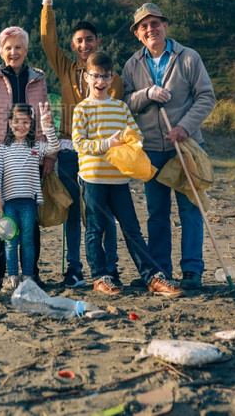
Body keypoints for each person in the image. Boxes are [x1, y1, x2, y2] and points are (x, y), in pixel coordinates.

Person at [72, 51, 184, 297]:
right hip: (93, 179)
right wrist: (106, 144)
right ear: (86, 77)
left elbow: (136, 135)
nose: (100, 81)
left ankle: (152, 277)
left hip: (119, 179)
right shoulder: (82, 109)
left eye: (105, 76)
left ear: (112, 78)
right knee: (95, 229)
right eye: (95, 76)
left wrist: (133, 142)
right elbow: (79, 143)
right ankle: (101, 277)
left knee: (132, 228)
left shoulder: (121, 107)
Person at [122, 3, 216, 290]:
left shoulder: (188, 58)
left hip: (187, 146)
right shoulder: (132, 65)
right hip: (150, 149)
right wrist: (146, 94)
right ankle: (160, 270)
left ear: (165, 26)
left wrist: (183, 128)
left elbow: (206, 97)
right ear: (137, 34)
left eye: (155, 23)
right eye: (144, 26)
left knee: (190, 209)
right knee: (157, 213)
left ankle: (192, 272)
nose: (150, 29)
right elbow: (126, 103)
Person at [40, 0, 122, 289]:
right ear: (73, 46)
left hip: (100, 152)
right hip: (69, 151)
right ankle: (74, 269)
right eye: (79, 41)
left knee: (101, 212)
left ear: (97, 42)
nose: (84, 44)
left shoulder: (110, 76)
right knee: (71, 210)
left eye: (89, 39)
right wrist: (47, 1)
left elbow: (118, 110)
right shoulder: (66, 66)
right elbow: (48, 40)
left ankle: (106, 269)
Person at [0, 26, 55, 288]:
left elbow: (44, 121)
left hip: (32, 158)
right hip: (1, 156)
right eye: (8, 48)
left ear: (26, 50)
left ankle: (31, 272)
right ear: (0, 51)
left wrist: (49, 158)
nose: (13, 52)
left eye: (18, 47)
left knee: (31, 220)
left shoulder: (38, 80)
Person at [0, 102, 60, 291]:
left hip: (29, 202)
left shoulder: (36, 147)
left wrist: (47, 125)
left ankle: (28, 276)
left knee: (28, 239)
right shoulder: (3, 149)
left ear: (32, 125)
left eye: (26, 122)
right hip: (9, 203)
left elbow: (55, 146)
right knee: (11, 239)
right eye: (16, 121)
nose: (21, 126)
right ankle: (12, 276)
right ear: (9, 122)